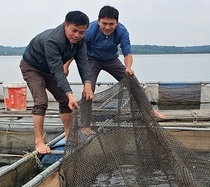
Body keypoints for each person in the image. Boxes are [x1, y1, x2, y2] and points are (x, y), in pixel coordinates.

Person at [65, 5, 166, 135]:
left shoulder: (122, 31)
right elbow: (77, 49)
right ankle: (85, 126)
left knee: (133, 82)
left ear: (117, 23)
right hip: (92, 59)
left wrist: (128, 68)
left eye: (111, 24)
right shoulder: (89, 31)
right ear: (98, 21)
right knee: (88, 90)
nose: (107, 27)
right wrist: (66, 65)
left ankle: (150, 112)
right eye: (104, 23)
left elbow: (127, 51)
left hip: (111, 60)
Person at [20, 11, 94, 154]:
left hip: (50, 69)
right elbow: (57, 71)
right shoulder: (53, 40)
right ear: (65, 24)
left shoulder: (80, 41)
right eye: (74, 30)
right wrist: (70, 93)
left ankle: (69, 136)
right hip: (32, 67)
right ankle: (39, 141)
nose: (77, 35)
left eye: (81, 32)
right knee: (41, 101)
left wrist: (87, 84)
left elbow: (83, 63)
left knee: (65, 99)